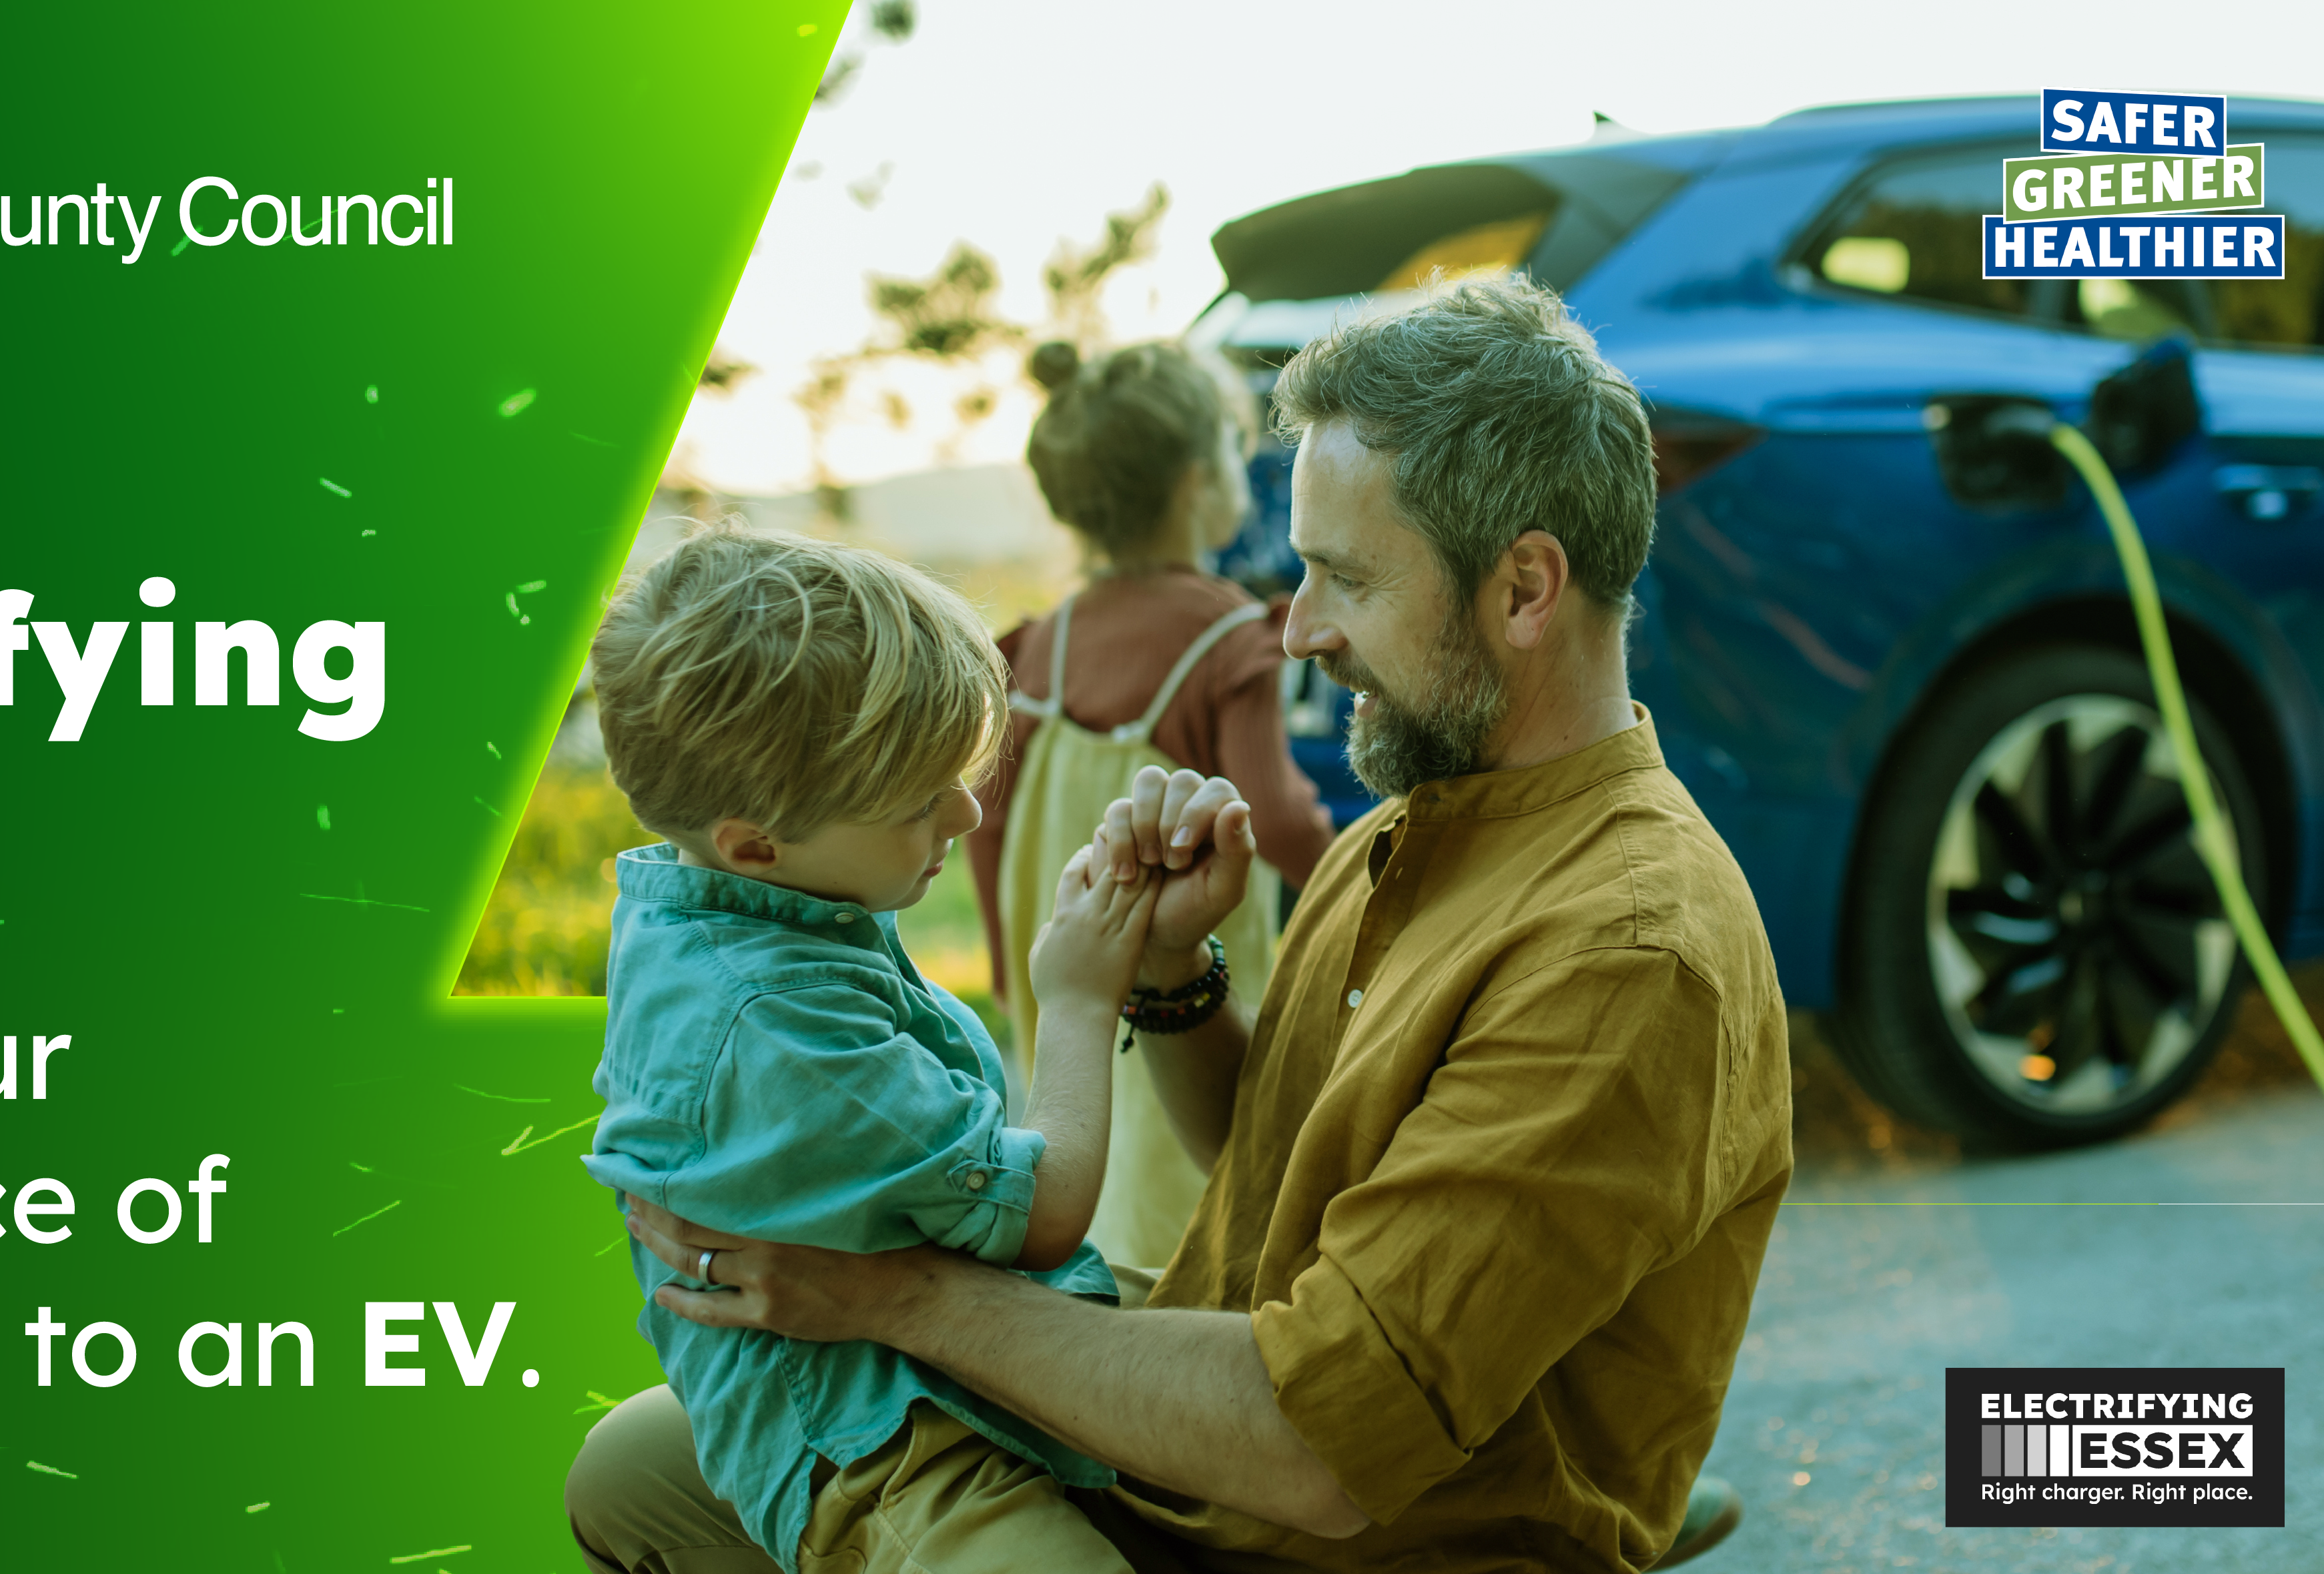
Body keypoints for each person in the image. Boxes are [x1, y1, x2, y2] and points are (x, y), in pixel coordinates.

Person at [570, 277, 1793, 1574]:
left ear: (1526, 589)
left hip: (1327, 1532)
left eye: (1344, 576)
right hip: (1188, 1479)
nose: (1299, 626)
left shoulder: (1626, 955)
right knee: (636, 1469)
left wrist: (897, 1299)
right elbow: (1271, 1159)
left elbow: (1315, 1447)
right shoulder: (1419, 826)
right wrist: (1171, 977)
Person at [576, 522, 1170, 1574]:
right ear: (754, 840)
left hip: (926, 1362)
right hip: (889, 1442)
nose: (966, 809)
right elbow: (1044, 1212)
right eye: (915, 804)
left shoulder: (742, 900)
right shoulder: (775, 1024)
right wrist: (1079, 996)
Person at [976, 339, 1335, 1272]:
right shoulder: (1224, 634)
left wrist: (1014, 970)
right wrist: (1361, 889)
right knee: (1200, 1172)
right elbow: (1281, 816)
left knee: (1094, 1145)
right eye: (1228, 445)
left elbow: (992, 828)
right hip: (1186, 971)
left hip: (1069, 954)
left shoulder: (1041, 642)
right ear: (1192, 479)